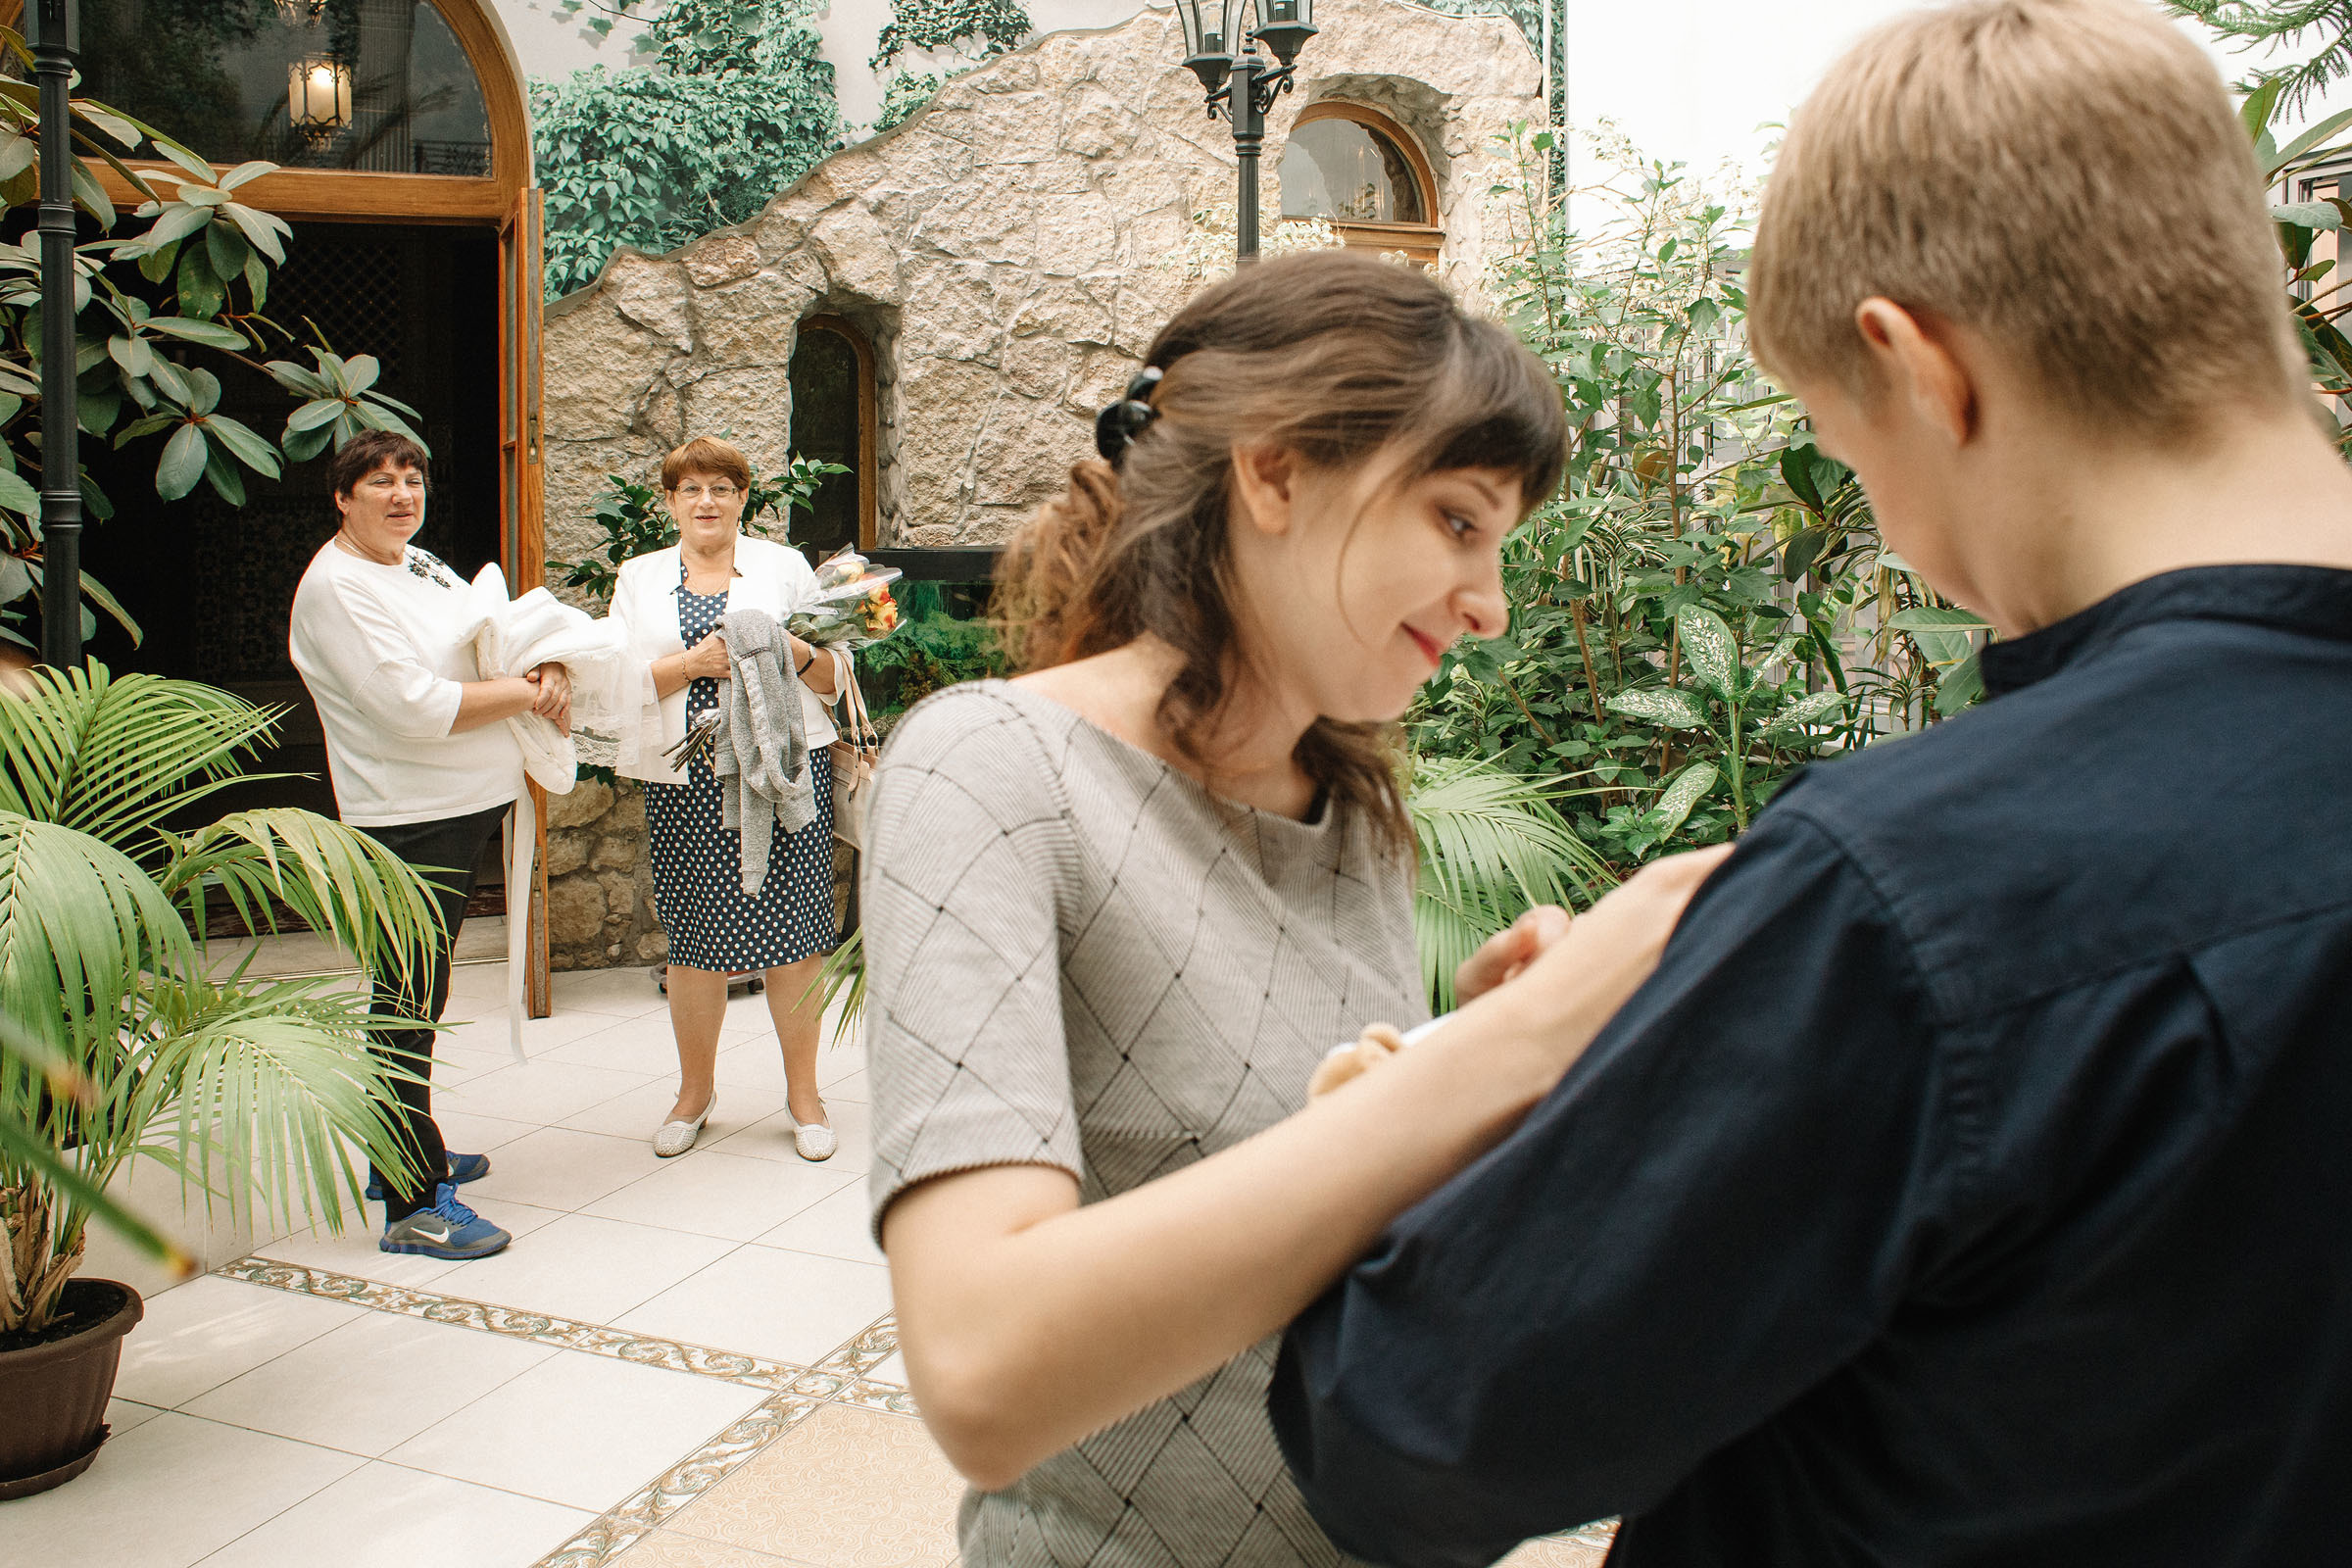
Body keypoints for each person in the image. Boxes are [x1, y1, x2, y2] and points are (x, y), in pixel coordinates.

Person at [1269, 4, 2352, 1564]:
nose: (1902, 538)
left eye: (1848, 455)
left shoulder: (1913, 897)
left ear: (1921, 369)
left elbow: (1404, 1434)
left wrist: (1536, 1084)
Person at [859, 250, 1731, 1567]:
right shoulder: (992, 769)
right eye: (1455, 520)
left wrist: (1490, 1093)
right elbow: (981, 1371)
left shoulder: (1358, 814)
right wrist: (1502, 1054)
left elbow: (1332, 1238)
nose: (1489, 606)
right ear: (1273, 473)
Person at [288, 428, 572, 1260]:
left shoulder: (411, 563)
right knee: (405, 1007)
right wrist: (527, 691)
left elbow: (487, 633)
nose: (402, 494)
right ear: (343, 498)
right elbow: (412, 706)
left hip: (460, 806)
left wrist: (546, 664)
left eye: (413, 478)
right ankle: (412, 1205)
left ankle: (403, 1150)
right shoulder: (337, 588)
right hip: (406, 820)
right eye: (380, 482)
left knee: (424, 993)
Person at [608, 436, 850, 1160]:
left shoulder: (785, 569)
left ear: (744, 497)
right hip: (685, 784)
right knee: (695, 948)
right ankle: (695, 1093)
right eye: (691, 490)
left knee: (796, 944)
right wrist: (694, 663)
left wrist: (788, 649)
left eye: (722, 488)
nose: (706, 502)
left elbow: (838, 675)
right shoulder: (638, 579)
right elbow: (619, 683)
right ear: (671, 502)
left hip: (781, 778)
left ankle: (804, 1096)